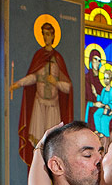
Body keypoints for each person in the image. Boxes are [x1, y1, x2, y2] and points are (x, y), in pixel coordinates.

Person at [12, 20, 73, 165]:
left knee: (52, 145)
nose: (47, 38)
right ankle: (38, 173)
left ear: (53, 36)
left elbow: (68, 87)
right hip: (39, 105)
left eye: (49, 34)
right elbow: (33, 77)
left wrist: (56, 82)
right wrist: (18, 83)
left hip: (53, 106)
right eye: (44, 35)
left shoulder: (58, 59)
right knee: (37, 143)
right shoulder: (38, 56)